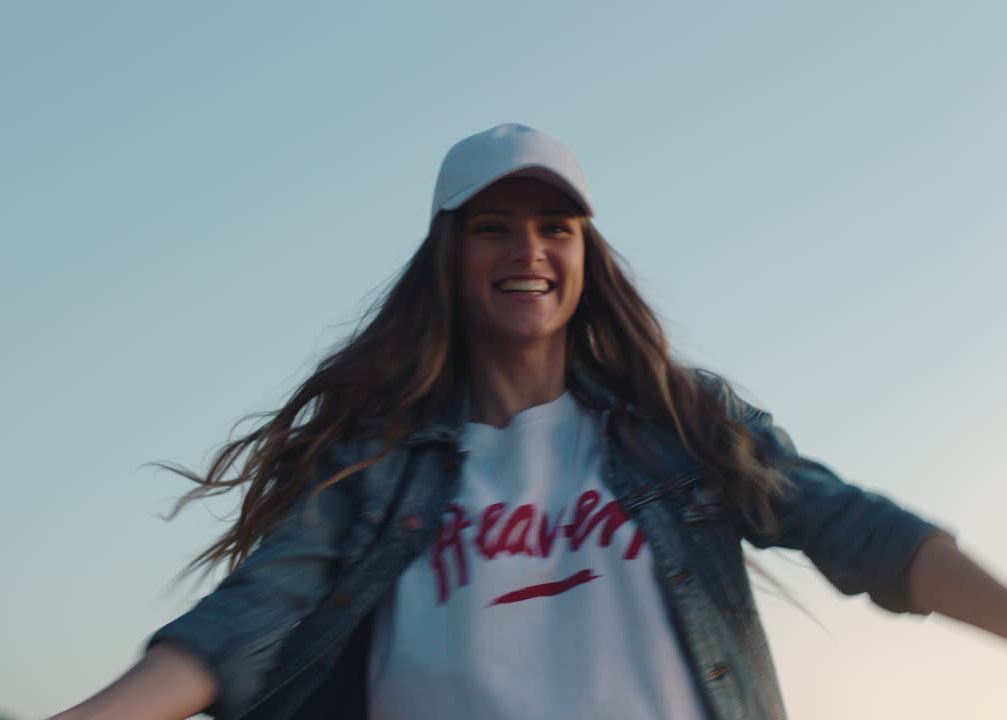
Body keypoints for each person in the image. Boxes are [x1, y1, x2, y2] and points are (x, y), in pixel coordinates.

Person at [50, 124, 1007, 720]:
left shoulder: (677, 422)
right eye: (495, 226)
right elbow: (237, 628)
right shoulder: (372, 466)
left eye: (556, 228)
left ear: (587, 254)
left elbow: (858, 532)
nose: (530, 250)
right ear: (448, 254)